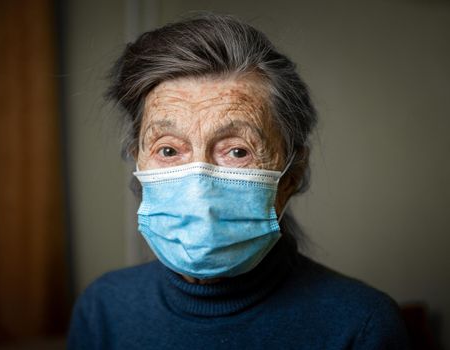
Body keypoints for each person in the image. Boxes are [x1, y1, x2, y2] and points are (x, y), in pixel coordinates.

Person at [68, 14, 410, 349]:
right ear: (137, 162)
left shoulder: (361, 326)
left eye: (237, 151)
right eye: (169, 149)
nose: (199, 186)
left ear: (291, 174)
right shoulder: (104, 309)